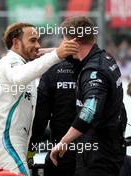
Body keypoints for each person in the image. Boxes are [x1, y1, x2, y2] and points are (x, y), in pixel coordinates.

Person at [0, 22, 79, 176]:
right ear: (15, 42)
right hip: (6, 141)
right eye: (32, 40)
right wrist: (56, 54)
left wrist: (54, 51)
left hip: (7, 141)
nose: (38, 45)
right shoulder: (10, 62)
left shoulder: (20, 63)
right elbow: (20, 75)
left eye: (38, 40)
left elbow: (30, 68)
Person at [50, 16, 127, 176]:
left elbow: (90, 111)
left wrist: (64, 141)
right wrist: (49, 53)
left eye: (64, 40)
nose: (62, 46)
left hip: (98, 156)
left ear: (75, 41)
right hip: (110, 147)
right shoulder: (105, 58)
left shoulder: (94, 71)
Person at [29, 58, 78, 176]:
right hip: (94, 153)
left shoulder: (52, 71)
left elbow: (40, 118)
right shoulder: (99, 68)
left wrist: (31, 150)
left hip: (61, 152)